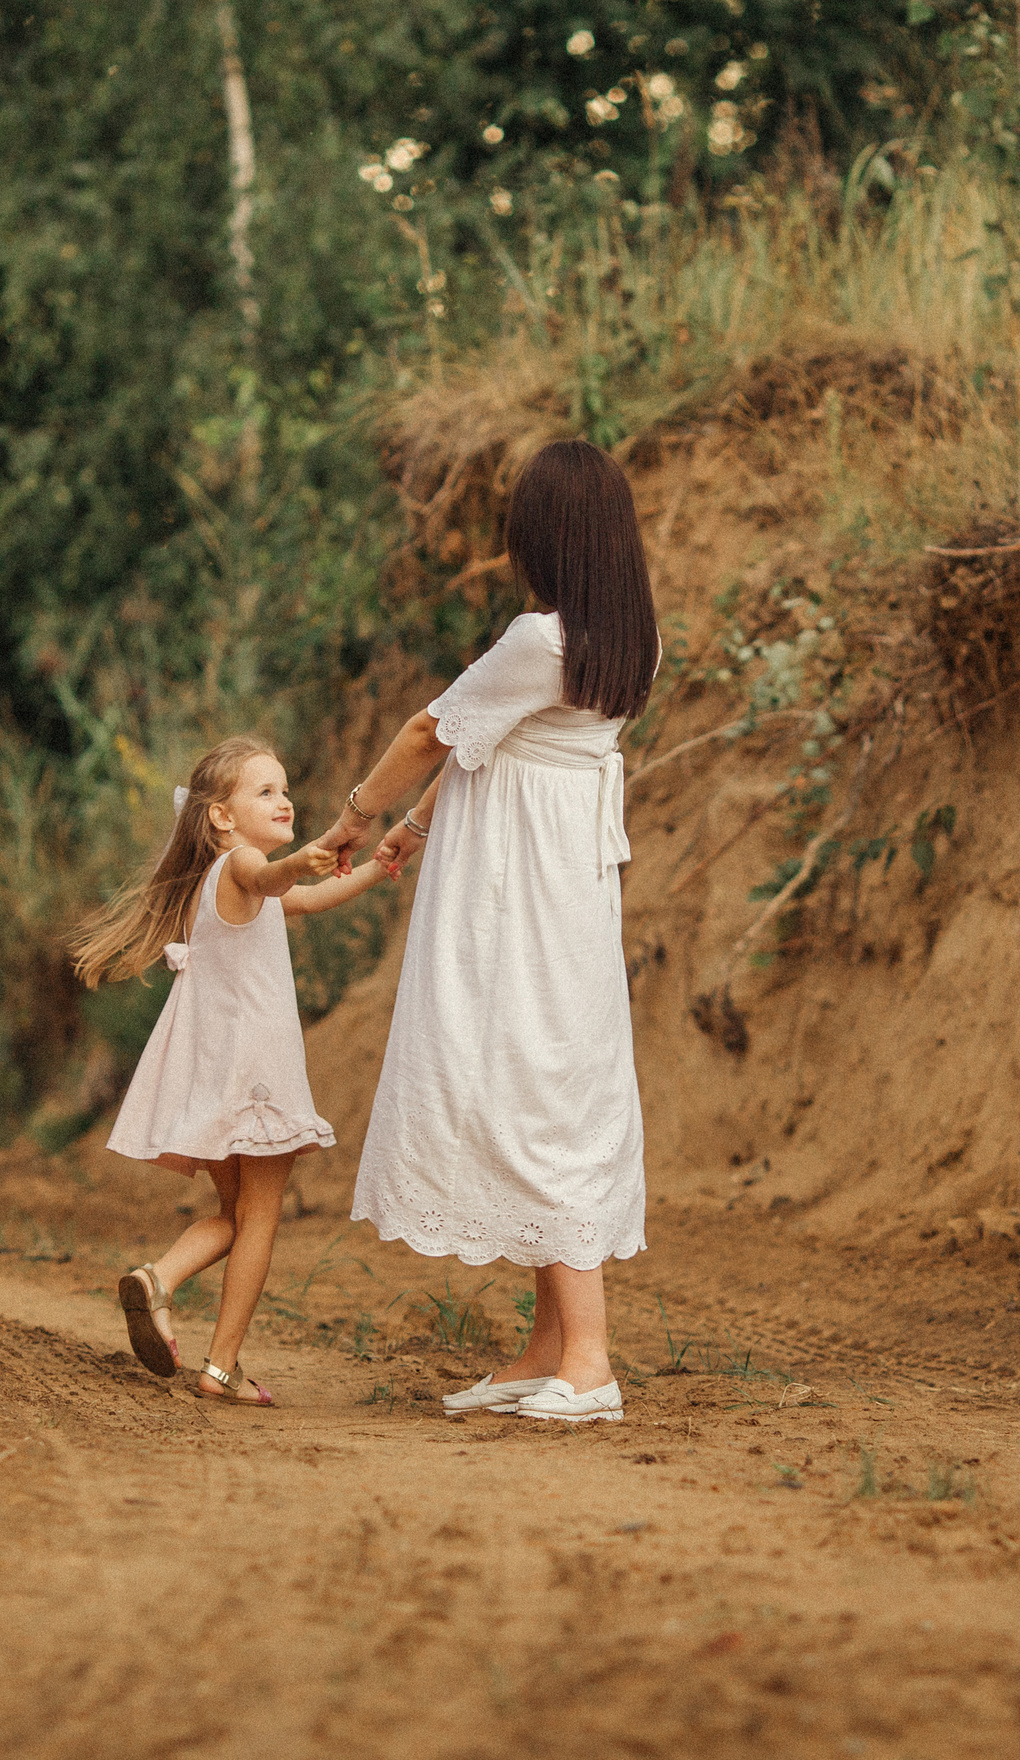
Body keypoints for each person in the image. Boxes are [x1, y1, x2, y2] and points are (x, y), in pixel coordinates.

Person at [313, 438, 657, 1424]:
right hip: (567, 883)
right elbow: (493, 749)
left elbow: (433, 730)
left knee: (535, 1087)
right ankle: (543, 1349)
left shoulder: (538, 639)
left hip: (520, 891)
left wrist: (359, 813)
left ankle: (588, 1358)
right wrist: (418, 828)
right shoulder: (629, 640)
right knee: (537, 1073)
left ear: (542, 539)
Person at [68, 735, 401, 1406]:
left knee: (234, 1211)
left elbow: (309, 898)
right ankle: (221, 1367)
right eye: (265, 791)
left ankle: (158, 1278)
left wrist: (379, 865)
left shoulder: (214, 883)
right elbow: (274, 879)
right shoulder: (244, 866)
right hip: (257, 1074)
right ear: (221, 816)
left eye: (284, 788)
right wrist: (299, 864)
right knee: (262, 1216)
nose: (284, 800)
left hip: (217, 1071)